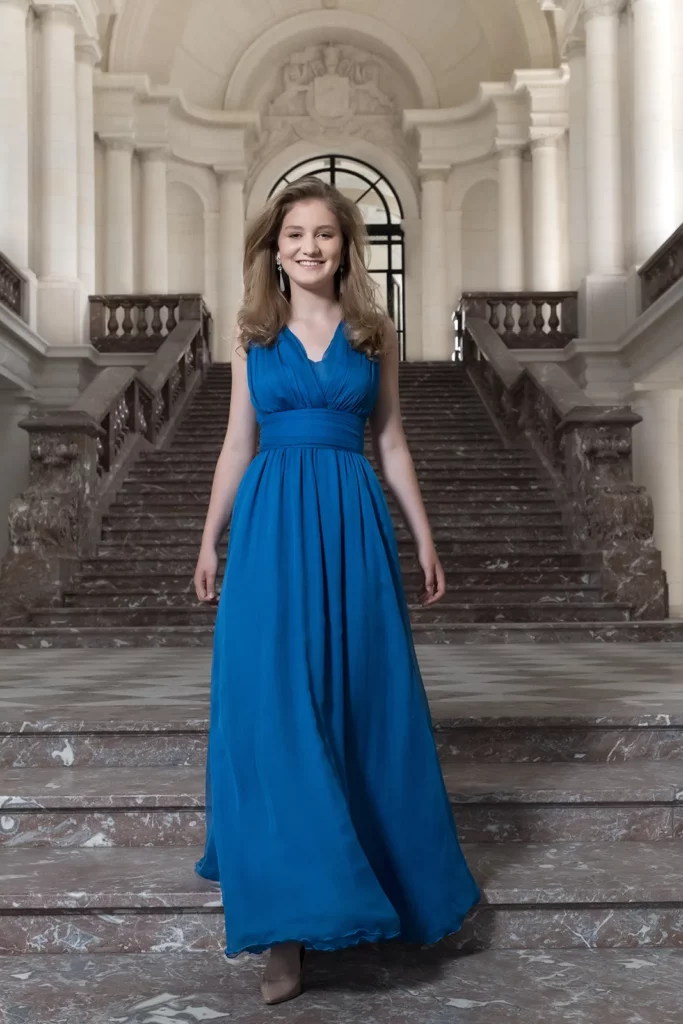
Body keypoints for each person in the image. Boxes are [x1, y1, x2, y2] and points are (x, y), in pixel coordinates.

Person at [193, 176, 481, 1005]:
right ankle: (282, 928)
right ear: (272, 249)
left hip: (351, 524)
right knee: (273, 708)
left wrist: (422, 534)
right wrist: (210, 537)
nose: (308, 246)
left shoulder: (371, 333)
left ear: (345, 248)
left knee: (360, 703)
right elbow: (235, 444)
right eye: (293, 235)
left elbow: (388, 439)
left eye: (324, 234)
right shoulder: (253, 336)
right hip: (271, 524)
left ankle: (380, 892)